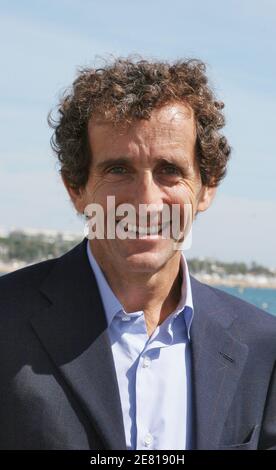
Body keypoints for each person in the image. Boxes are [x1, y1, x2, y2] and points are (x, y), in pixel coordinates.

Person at [0, 58, 276, 451]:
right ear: (76, 188)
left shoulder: (264, 348)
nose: (146, 201)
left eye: (169, 170)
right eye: (118, 170)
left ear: (206, 187)